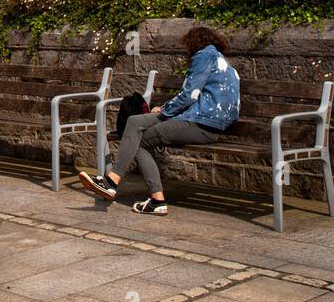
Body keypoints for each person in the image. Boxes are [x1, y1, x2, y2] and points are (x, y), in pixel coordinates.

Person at [78, 26, 240, 215]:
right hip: (209, 123)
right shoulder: (225, 64)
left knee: (139, 140)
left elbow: (190, 95)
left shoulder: (204, 56)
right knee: (134, 122)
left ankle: (123, 186)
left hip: (201, 124)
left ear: (193, 43)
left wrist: (164, 111)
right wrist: (165, 110)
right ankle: (118, 184)